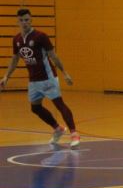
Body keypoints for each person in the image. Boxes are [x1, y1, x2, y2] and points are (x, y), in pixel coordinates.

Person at [0, 8, 80, 148]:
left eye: (27, 20)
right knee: (35, 108)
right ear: (18, 21)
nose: (24, 23)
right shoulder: (17, 39)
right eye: (21, 20)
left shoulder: (40, 36)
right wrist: (6, 76)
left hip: (48, 78)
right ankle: (57, 129)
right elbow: (15, 59)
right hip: (34, 81)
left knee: (59, 105)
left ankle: (74, 134)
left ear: (31, 20)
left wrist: (64, 73)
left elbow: (53, 56)